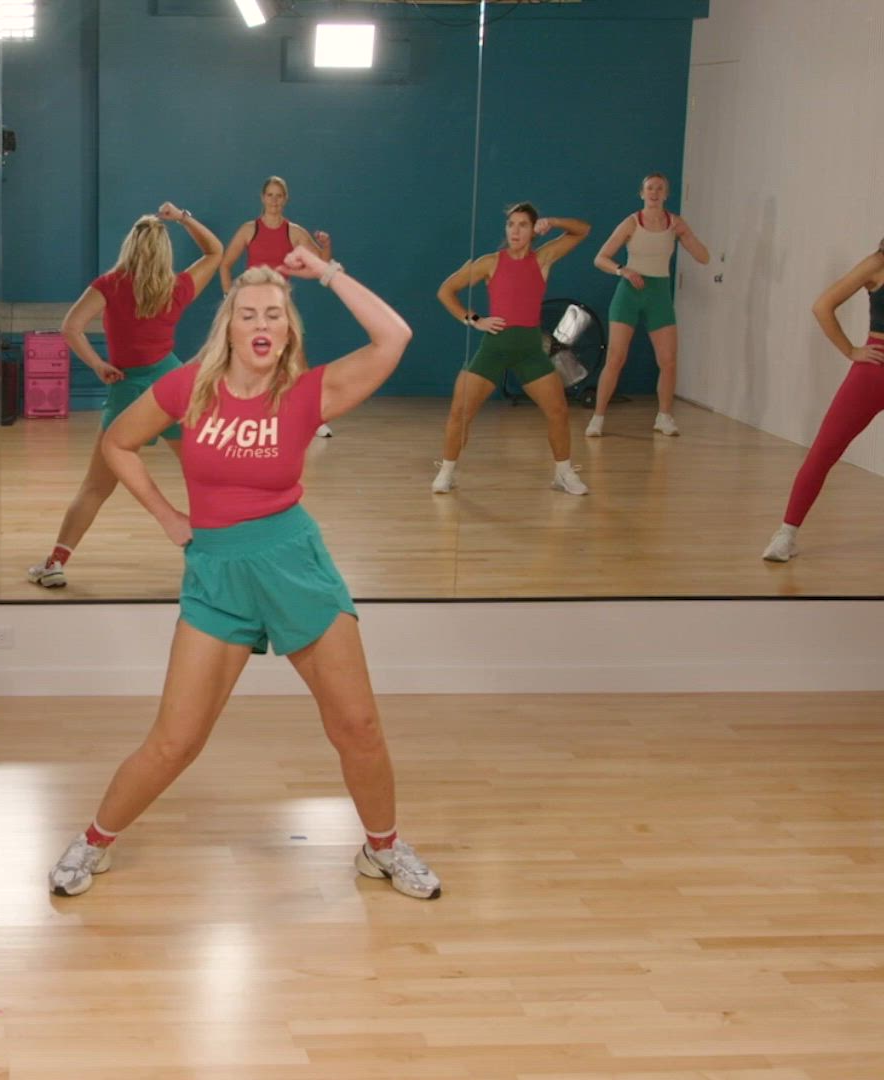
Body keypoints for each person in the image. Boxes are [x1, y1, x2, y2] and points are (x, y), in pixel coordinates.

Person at [46, 249, 440, 901]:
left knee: (357, 726)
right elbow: (117, 442)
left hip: (294, 565)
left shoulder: (310, 392)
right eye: (249, 313)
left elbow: (394, 336)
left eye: (275, 314)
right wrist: (169, 517)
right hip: (217, 575)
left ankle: (384, 847)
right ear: (229, 326)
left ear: (288, 331)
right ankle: (94, 840)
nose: (261, 323)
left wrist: (330, 273)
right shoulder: (188, 387)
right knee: (175, 741)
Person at [28, 203, 222, 588]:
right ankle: (217, 559)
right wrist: (182, 217)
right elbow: (215, 251)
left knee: (96, 486)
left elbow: (71, 327)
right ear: (164, 252)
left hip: (127, 390)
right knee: (202, 478)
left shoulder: (109, 284)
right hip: (171, 384)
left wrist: (98, 365)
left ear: (129, 246)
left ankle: (54, 564)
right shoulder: (177, 286)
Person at [432, 204, 592, 495]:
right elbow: (445, 291)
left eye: (522, 225)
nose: (515, 231)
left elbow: (583, 230)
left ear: (533, 231)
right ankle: (447, 472)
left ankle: (563, 474)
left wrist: (553, 221)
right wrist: (474, 319)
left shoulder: (543, 258)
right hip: (494, 348)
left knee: (558, 411)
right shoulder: (490, 262)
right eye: (511, 224)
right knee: (460, 412)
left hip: (530, 351)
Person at [761, 237, 884, 563]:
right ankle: (786, 534)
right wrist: (851, 351)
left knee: (823, 452)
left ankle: (786, 536)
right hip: (874, 369)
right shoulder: (877, 263)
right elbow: (822, 306)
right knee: (825, 450)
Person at [587, 173, 711, 437]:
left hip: (659, 295)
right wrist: (623, 270)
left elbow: (704, 257)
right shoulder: (631, 222)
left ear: (666, 194)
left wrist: (686, 233)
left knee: (668, 360)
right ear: (642, 194)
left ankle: (664, 417)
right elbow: (600, 258)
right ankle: (597, 418)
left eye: (659, 188)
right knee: (615, 358)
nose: (654, 192)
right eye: (650, 188)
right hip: (629, 294)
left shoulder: (675, 223)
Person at [222, 175, 336, 437]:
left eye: (279, 196)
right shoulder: (249, 229)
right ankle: (235, 413)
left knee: (297, 358)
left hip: (280, 305)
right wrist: (230, 296)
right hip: (250, 308)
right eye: (270, 195)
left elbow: (321, 263)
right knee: (239, 359)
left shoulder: (293, 232)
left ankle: (314, 419)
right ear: (262, 198)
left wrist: (326, 245)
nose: (274, 200)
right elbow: (225, 264)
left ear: (286, 199)